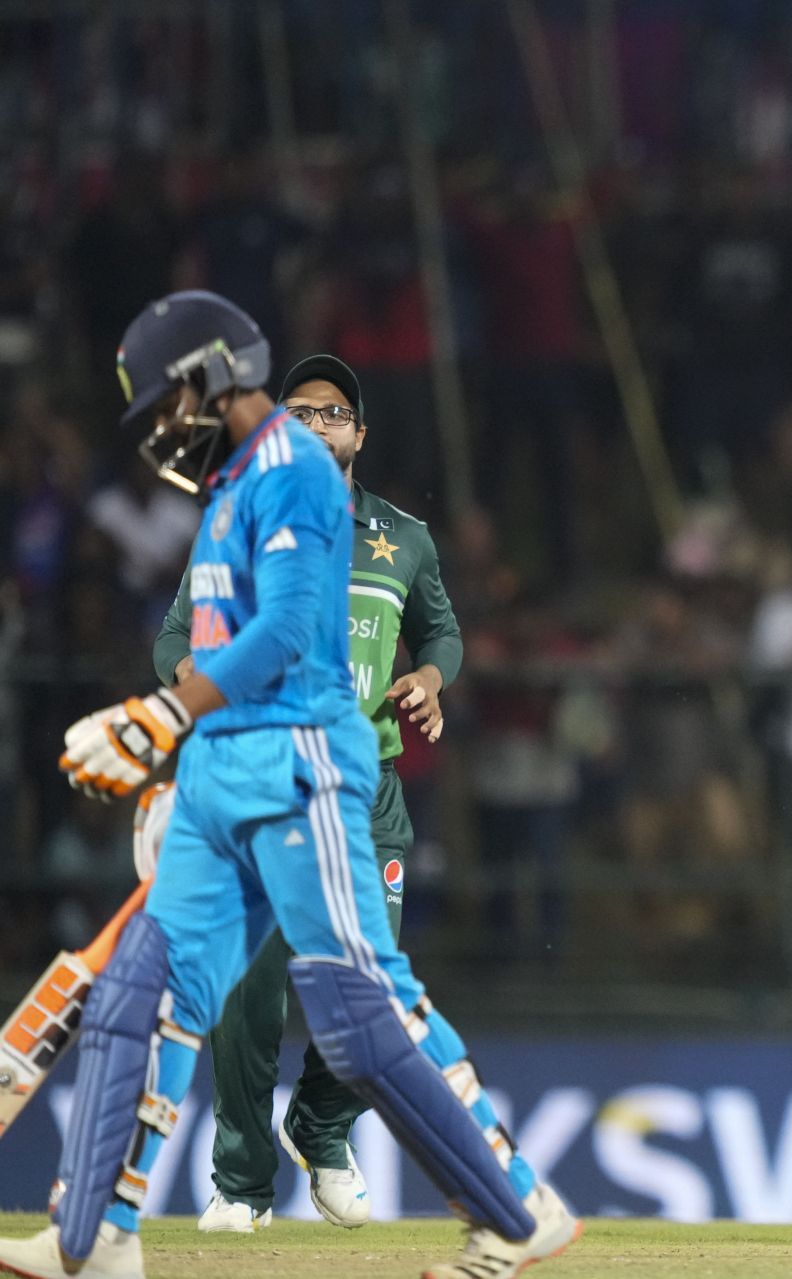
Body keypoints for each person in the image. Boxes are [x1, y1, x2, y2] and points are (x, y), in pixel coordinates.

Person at [0, 292, 578, 1279]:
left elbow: (288, 630)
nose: (159, 430)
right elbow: (215, 635)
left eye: (166, 401)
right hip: (223, 769)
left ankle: (517, 1212)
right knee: (138, 989)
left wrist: (160, 715)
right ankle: (91, 1240)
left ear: (216, 372)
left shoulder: (298, 470)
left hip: (300, 764)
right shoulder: (231, 487)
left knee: (356, 1009)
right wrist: (178, 731)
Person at [151, 354, 461, 1232]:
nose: (317, 423)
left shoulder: (403, 538)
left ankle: (321, 1129)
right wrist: (198, 678)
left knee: (372, 992)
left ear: (360, 434)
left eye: (333, 413)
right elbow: (177, 630)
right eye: (298, 412)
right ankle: (241, 1186)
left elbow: (441, 627)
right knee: (250, 997)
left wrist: (432, 677)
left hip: (364, 793)